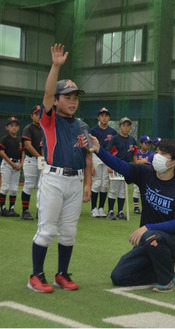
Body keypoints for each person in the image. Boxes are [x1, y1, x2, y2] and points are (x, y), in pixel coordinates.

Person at [83, 135, 175, 292]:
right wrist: (99, 150)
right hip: (150, 240)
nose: (157, 156)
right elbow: (120, 166)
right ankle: (163, 268)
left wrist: (147, 227)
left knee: (152, 236)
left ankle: (169, 279)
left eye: (163, 154)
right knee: (119, 276)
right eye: (157, 151)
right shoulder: (146, 173)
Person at [27, 43, 92, 293]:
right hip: (53, 180)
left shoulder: (81, 125)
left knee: (68, 233)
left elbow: (87, 156)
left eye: (75, 98)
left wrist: (87, 183)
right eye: (67, 97)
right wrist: (55, 66)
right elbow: (46, 95)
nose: (73, 101)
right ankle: (36, 276)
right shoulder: (49, 120)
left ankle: (61, 274)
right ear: (56, 101)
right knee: (46, 231)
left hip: (75, 182)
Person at [106, 117, 138, 220]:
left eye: (128, 125)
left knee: (123, 190)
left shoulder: (132, 140)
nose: (126, 127)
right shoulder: (115, 138)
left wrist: (136, 164)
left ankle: (120, 211)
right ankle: (110, 211)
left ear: (130, 127)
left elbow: (134, 154)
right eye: (124, 125)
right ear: (120, 126)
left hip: (127, 165)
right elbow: (108, 153)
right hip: (116, 164)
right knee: (114, 189)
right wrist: (109, 165)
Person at [90, 107, 117, 218]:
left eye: (106, 115)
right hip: (95, 156)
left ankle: (101, 208)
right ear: (98, 117)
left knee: (105, 184)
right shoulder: (93, 131)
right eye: (102, 115)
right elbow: (89, 147)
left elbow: (115, 149)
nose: (104, 117)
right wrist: (90, 163)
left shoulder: (113, 132)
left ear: (109, 117)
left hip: (108, 157)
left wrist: (113, 162)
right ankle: (93, 209)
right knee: (97, 182)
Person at [21, 105, 43, 220]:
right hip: (31, 160)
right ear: (32, 116)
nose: (38, 116)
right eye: (36, 114)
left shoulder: (45, 128)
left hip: (42, 160)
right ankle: (25, 211)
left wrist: (43, 158)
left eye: (40, 114)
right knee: (29, 185)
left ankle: (40, 211)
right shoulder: (28, 128)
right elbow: (27, 145)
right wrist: (40, 156)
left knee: (42, 187)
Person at [0, 117, 25, 217]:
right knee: (5, 186)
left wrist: (21, 164)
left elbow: (23, 153)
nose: (14, 127)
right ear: (7, 127)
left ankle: (11, 208)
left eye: (16, 125)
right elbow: (1, 152)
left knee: (14, 188)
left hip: (17, 164)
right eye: (11, 125)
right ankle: (2, 208)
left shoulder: (20, 140)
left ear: (18, 127)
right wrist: (11, 163)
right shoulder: (5, 139)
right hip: (7, 164)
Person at [133, 135, 152, 214]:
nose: (147, 145)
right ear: (140, 144)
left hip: (147, 174)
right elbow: (136, 162)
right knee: (137, 190)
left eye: (148, 144)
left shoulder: (151, 154)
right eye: (145, 143)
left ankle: (146, 207)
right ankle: (136, 207)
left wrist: (141, 161)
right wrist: (144, 161)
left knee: (147, 191)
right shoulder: (137, 153)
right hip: (138, 174)